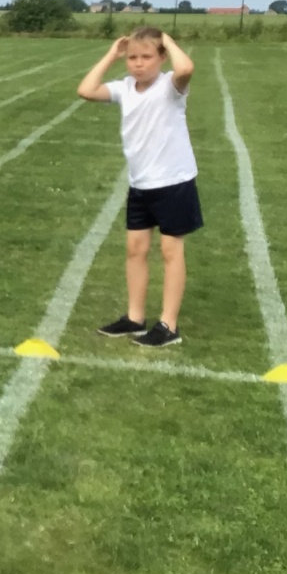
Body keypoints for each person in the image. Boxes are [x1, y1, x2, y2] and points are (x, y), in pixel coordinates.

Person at [77, 27, 200, 347]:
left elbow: (186, 68)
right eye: (132, 57)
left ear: (161, 58)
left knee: (170, 251)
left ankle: (168, 326)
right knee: (135, 250)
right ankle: (134, 318)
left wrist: (166, 39)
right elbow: (86, 90)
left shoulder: (170, 87)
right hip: (141, 184)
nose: (139, 63)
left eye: (147, 57)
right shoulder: (124, 88)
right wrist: (111, 54)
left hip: (173, 182)